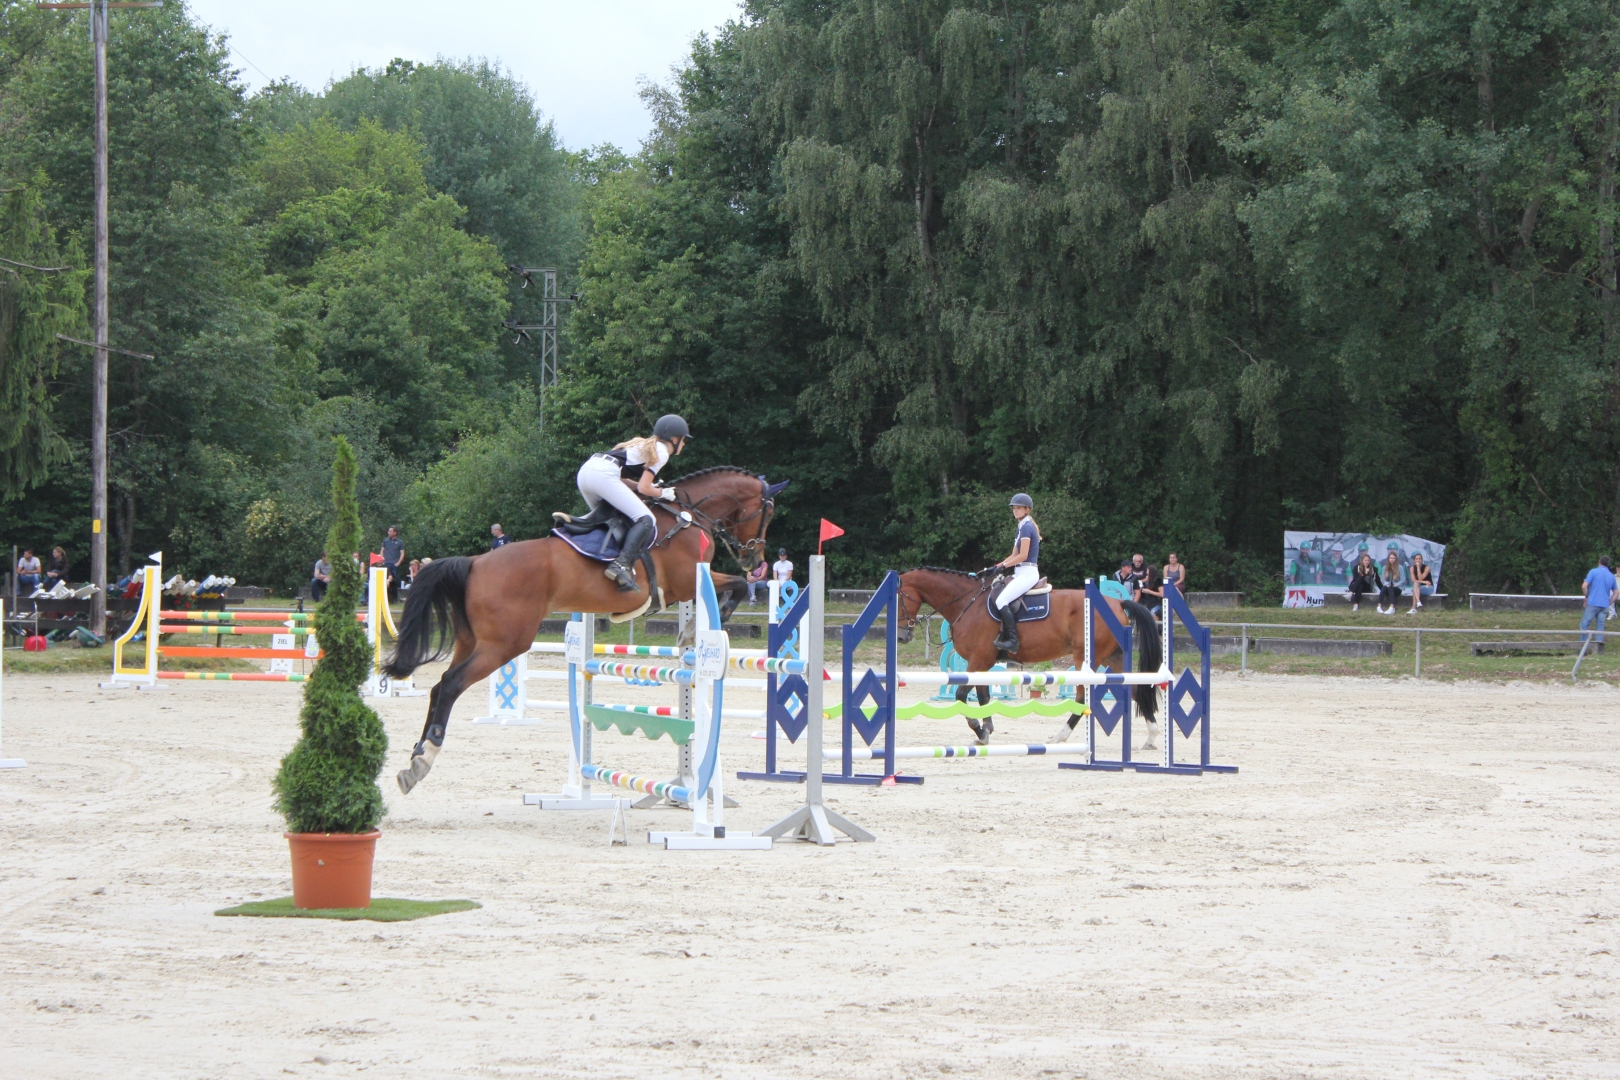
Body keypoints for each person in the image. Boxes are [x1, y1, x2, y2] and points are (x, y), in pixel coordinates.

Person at [565, 414, 689, 591]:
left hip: (587, 472)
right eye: (683, 440)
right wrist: (663, 492)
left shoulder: (645, 445)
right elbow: (645, 488)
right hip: (604, 474)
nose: (684, 444)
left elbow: (628, 482)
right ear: (674, 440)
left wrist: (645, 487)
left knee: (613, 519)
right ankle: (621, 564)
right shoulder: (662, 451)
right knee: (646, 519)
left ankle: (581, 527)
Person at [988, 493, 1041, 652]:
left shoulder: (1027, 527)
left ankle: (1013, 641)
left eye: (1018, 508)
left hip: (1028, 573)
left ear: (1027, 509)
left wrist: (1004, 567)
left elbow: (1023, 556)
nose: (1015, 510)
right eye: (1014, 508)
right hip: (1020, 572)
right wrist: (997, 566)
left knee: (1001, 601)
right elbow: (1013, 555)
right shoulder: (1020, 527)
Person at [1581, 555, 1617, 653]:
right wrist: (1609, 602)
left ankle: (1582, 648)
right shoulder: (1611, 576)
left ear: (1599, 562)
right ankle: (1599, 650)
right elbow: (1616, 593)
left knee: (1584, 624)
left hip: (1593, 603)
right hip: (1604, 605)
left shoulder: (1593, 572)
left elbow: (1584, 586)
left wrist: (1587, 596)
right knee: (1600, 627)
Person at [380, 526, 406, 599]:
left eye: (390, 531)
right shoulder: (385, 540)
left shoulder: (400, 542)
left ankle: (394, 598)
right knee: (385, 580)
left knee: (393, 580)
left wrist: (398, 563)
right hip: (386, 563)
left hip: (394, 564)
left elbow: (402, 553)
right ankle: (385, 596)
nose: (388, 532)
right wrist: (382, 559)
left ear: (395, 533)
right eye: (388, 531)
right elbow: (382, 550)